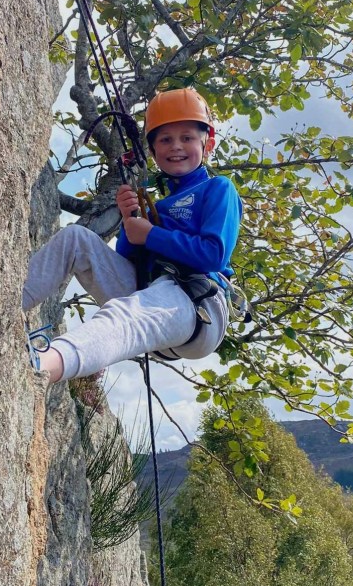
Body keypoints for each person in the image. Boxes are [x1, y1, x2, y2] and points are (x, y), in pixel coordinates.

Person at [21, 88, 242, 384]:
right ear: (153, 151)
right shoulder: (157, 207)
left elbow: (213, 255)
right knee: (76, 238)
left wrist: (150, 234)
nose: (176, 146)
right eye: (165, 140)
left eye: (187, 138)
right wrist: (129, 222)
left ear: (208, 143)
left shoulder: (218, 188)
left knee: (125, 314)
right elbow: (130, 263)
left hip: (198, 303)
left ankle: (42, 364)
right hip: (153, 296)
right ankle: (8, 305)